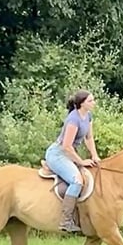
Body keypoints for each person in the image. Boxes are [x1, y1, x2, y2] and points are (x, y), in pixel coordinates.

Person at [44, 90, 101, 232]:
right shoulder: (73, 119)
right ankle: (65, 221)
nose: (93, 103)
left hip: (69, 154)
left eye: (93, 100)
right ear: (81, 104)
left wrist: (94, 155)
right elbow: (66, 146)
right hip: (58, 154)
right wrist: (81, 162)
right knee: (77, 181)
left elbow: (89, 138)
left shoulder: (88, 116)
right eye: (90, 101)